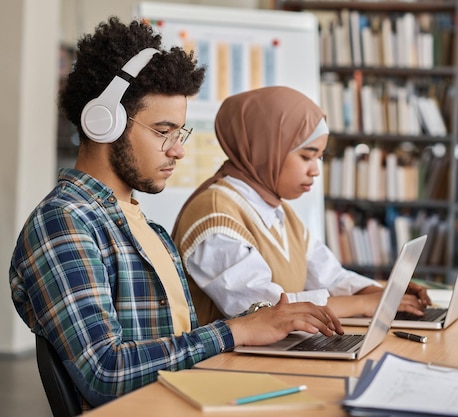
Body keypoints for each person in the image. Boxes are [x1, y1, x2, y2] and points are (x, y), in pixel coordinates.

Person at [9, 18, 343, 411]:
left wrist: (262, 327)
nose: (178, 150)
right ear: (104, 122)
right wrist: (236, 331)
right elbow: (105, 373)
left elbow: (179, 345)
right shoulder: (64, 223)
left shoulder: (144, 226)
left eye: (179, 132)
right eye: (163, 130)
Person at [171, 86, 431, 326]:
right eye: (306, 156)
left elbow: (332, 277)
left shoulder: (277, 210)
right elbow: (267, 309)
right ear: (267, 149)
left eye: (319, 157)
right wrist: (362, 304)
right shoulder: (214, 215)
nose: (315, 171)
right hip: (221, 367)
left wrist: (382, 292)